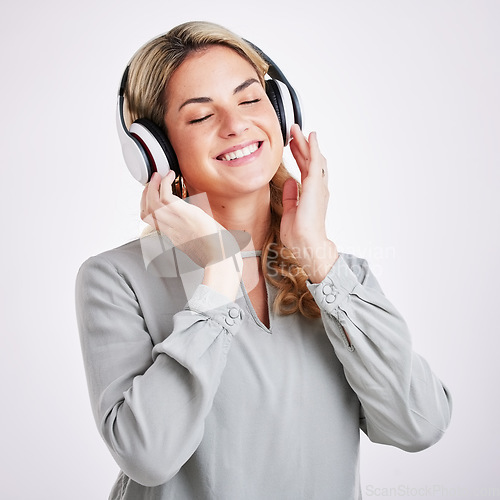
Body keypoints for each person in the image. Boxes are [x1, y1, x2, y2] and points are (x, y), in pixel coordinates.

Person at [75, 21, 452, 500]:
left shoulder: (339, 277)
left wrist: (318, 258)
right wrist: (217, 271)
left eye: (250, 100)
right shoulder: (116, 279)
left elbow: (420, 424)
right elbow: (149, 455)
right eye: (199, 117)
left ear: (280, 111)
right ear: (156, 153)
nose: (235, 125)